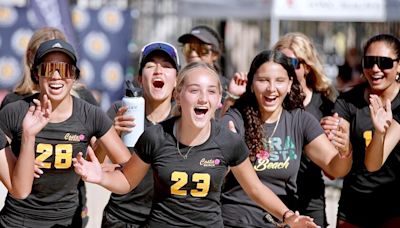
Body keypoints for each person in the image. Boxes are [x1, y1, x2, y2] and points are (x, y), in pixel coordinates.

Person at [73, 61, 318, 228]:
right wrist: (100, 177)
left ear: (218, 100)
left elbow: (255, 189)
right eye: (194, 90)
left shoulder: (228, 142)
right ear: (178, 95)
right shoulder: (156, 137)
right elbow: (127, 181)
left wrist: (287, 217)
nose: (203, 98)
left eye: (211, 91)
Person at [0, 38, 131, 227]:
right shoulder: (15, 111)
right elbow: (17, 186)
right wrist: (21, 155)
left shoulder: (91, 114)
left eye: (64, 69)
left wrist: (101, 175)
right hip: (17, 220)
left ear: (75, 76)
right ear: (37, 74)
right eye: (47, 68)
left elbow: (128, 172)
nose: (55, 76)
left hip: (67, 221)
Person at [220, 50, 352, 228]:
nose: (271, 88)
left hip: (282, 220)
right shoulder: (235, 118)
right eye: (263, 80)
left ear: (290, 83)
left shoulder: (300, 120)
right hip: (238, 219)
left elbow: (335, 168)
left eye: (279, 81)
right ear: (251, 84)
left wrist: (345, 151)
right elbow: (252, 186)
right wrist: (287, 216)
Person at [321, 34, 400, 227]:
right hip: (353, 208)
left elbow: (374, 164)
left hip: (395, 210)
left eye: (384, 63)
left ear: (399, 66)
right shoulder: (348, 101)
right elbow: (340, 162)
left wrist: (380, 133)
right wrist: (340, 144)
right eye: (369, 61)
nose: (375, 69)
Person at [101, 41, 179, 227]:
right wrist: (110, 134)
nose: (158, 71)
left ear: (177, 80)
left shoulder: (184, 119)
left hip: (166, 220)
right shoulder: (121, 111)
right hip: (121, 218)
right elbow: (95, 163)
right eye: (150, 65)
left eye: (167, 66)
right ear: (139, 78)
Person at [272, 32, 337, 227]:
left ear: (307, 67)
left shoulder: (325, 104)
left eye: (291, 63)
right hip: (273, 194)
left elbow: (332, 171)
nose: (285, 67)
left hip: (310, 195)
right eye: (280, 61)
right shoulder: (270, 99)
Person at [0, 95, 51, 199]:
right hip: (18, 211)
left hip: (68, 210)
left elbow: (20, 191)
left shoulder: (83, 101)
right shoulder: (12, 102)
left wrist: (23, 165)